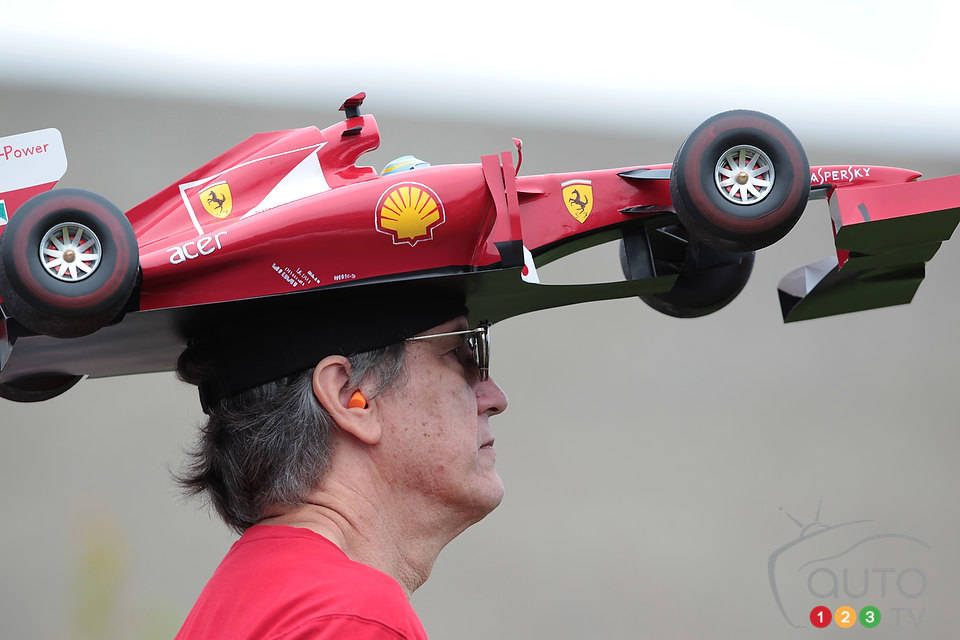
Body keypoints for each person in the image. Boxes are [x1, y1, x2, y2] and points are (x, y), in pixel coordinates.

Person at [173, 293, 507, 639]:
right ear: (350, 397)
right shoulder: (352, 619)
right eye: (457, 353)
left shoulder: (242, 600)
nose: (496, 399)